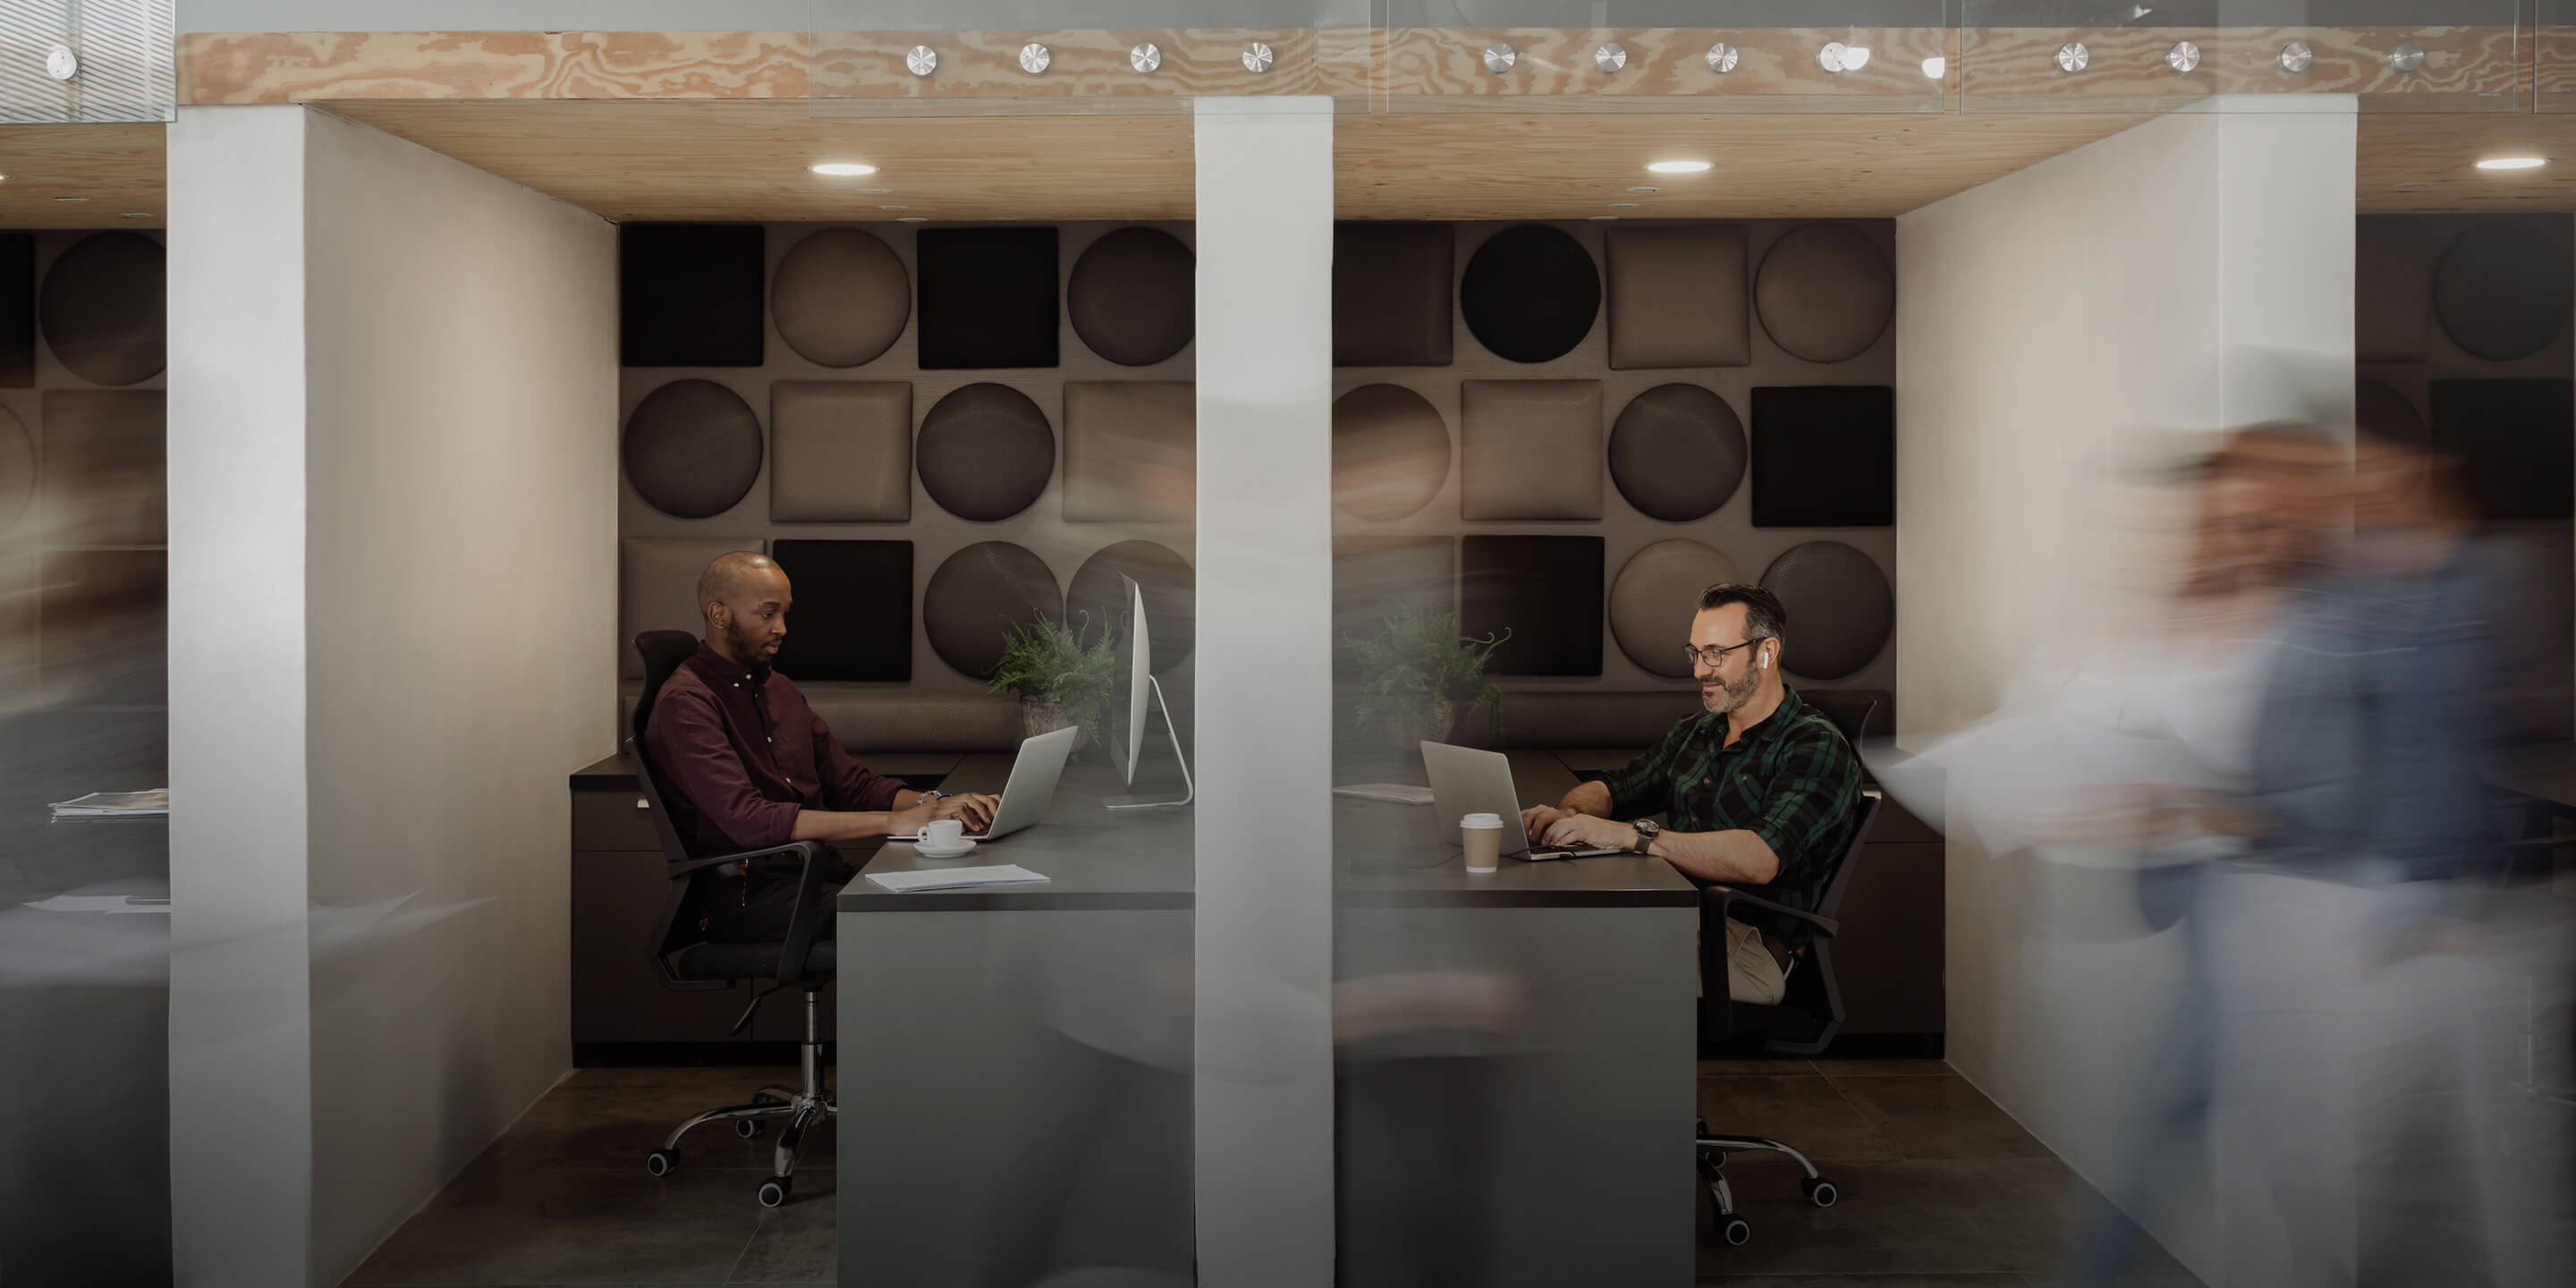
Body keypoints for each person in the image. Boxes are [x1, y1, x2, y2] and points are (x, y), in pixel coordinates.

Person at [1520, 583, 1863, 1004]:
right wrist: (1569, 815)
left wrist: (1636, 837)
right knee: (1539, 936)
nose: (1700, 670)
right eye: (1695, 654)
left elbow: (1760, 859)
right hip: (1681, 917)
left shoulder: (1814, 746)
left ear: (1766, 652)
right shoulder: (1698, 732)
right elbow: (1616, 787)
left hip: (1749, 947)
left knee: (1571, 964)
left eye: (1716, 654)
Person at [642, 551, 998, 942]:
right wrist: (896, 823)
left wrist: (937, 805)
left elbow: (853, 785)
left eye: (784, 615)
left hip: (811, 876)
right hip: (744, 897)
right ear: (719, 615)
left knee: (960, 895)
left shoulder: (779, 689)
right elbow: (749, 819)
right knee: (919, 920)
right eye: (767, 614)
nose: (782, 628)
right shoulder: (686, 702)